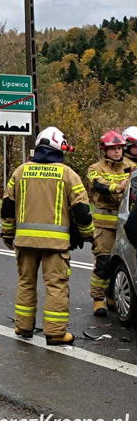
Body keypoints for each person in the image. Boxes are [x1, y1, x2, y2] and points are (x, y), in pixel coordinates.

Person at [1, 126, 94, 345]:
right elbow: (82, 211)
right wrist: (87, 235)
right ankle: (55, 333)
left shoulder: (20, 172)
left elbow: (7, 207)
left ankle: (23, 327)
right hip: (56, 244)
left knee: (26, 283)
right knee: (56, 286)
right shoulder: (68, 174)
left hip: (24, 242)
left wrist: (7, 234)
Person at [86, 131, 133, 316]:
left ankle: (113, 295)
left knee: (120, 263)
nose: (117, 152)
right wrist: (118, 186)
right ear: (105, 150)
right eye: (113, 148)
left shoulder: (131, 166)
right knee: (103, 262)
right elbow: (98, 186)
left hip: (126, 222)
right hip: (104, 225)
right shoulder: (95, 168)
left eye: (120, 148)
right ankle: (98, 299)